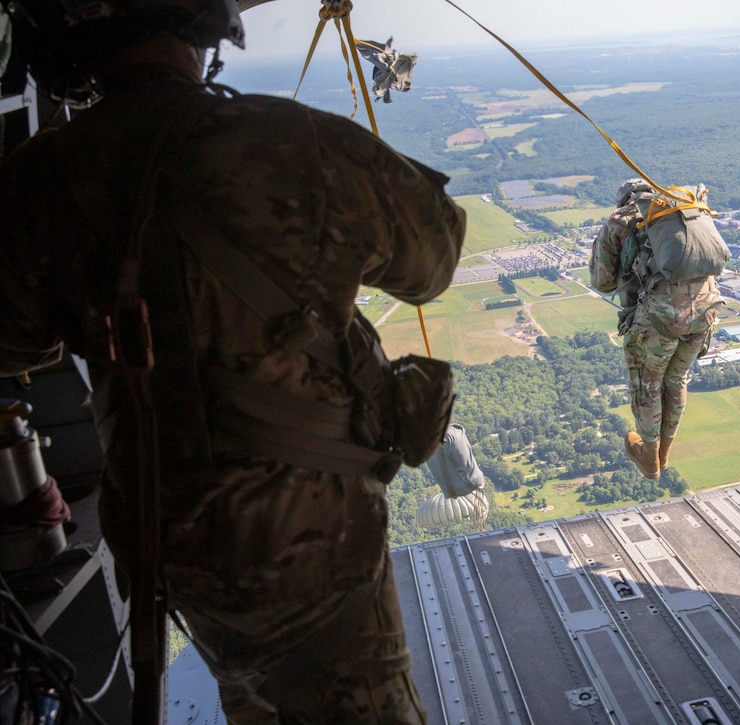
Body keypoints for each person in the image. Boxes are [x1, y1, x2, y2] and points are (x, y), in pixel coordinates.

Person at [0, 1, 466, 722]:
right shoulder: (291, 143)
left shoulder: (39, 183)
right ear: (200, 27)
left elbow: (15, 338)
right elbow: (434, 258)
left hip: (172, 553)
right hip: (312, 554)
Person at [590, 179, 724, 480]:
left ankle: (649, 458)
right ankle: (665, 454)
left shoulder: (621, 219)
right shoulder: (684, 208)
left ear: (624, 197)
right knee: (676, 379)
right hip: (706, 309)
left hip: (661, 316)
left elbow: (603, 281)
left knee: (648, 385)